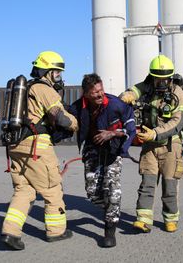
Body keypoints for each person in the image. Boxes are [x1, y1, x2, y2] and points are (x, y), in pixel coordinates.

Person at [1, 51, 78, 250]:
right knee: (52, 189)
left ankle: (11, 232)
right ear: (49, 72)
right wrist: (76, 123)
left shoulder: (25, 90)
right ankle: (56, 231)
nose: (59, 77)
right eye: (58, 73)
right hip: (36, 147)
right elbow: (60, 118)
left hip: (15, 146)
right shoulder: (43, 88)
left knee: (24, 190)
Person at [119, 55, 183, 233]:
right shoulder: (147, 86)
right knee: (147, 184)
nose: (161, 82)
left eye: (165, 78)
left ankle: (171, 218)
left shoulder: (178, 93)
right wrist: (128, 95)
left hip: (170, 146)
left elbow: (177, 122)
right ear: (152, 76)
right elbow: (133, 90)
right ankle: (143, 219)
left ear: (170, 77)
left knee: (169, 185)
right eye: (157, 78)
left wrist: (155, 133)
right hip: (149, 146)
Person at [68, 73, 136, 248]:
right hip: (92, 150)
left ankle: (110, 230)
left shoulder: (116, 105)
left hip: (113, 150)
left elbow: (131, 127)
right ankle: (110, 208)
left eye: (101, 90)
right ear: (86, 94)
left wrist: (113, 133)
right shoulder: (78, 107)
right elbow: (65, 122)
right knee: (92, 192)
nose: (100, 95)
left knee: (112, 188)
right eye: (95, 92)